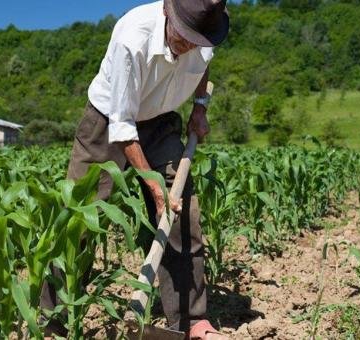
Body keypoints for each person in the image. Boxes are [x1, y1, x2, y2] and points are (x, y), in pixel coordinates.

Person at [39, 1, 229, 339]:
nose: (187, 45)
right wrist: (154, 189)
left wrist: (199, 107)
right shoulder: (132, 37)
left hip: (161, 121)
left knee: (183, 214)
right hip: (108, 121)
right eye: (183, 36)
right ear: (169, 13)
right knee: (78, 220)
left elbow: (204, 67)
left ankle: (190, 320)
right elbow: (123, 127)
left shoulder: (207, 29)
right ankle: (51, 320)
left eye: (195, 40)